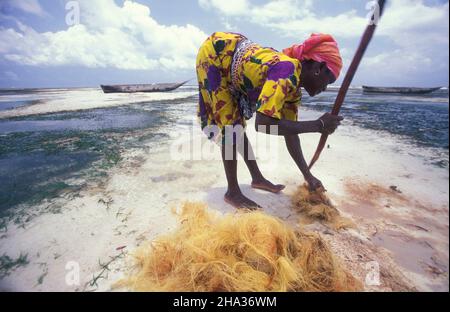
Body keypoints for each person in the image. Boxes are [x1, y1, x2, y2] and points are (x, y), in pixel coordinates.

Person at [196, 32, 344, 209]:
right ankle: (233, 192)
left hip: (235, 59)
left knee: (237, 126)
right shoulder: (286, 70)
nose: (325, 88)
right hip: (216, 55)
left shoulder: (294, 90)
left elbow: (291, 135)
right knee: (231, 128)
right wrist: (318, 125)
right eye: (327, 81)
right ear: (318, 68)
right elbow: (263, 124)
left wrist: (308, 175)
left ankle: (257, 178)